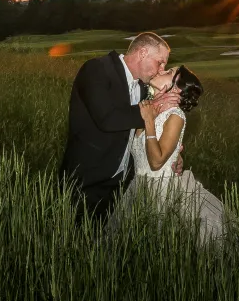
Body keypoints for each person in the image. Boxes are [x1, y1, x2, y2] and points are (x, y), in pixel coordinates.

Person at [60, 32, 183, 223]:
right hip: (87, 183)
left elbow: (143, 133)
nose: (161, 69)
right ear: (142, 53)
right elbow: (108, 119)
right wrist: (154, 108)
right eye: (160, 62)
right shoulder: (97, 69)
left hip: (122, 186)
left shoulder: (144, 88)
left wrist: (173, 155)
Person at [110, 65, 229, 245]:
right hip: (138, 188)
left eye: (168, 72)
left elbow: (157, 162)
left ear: (176, 89)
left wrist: (149, 121)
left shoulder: (176, 116)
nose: (160, 71)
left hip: (162, 193)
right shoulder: (148, 104)